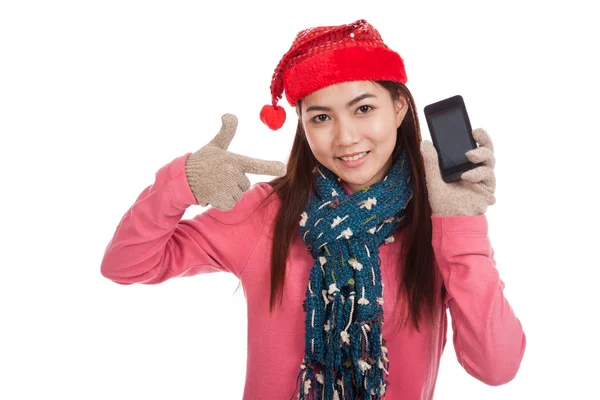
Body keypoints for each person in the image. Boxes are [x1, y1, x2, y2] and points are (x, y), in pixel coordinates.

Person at [100, 19, 526, 400]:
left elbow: (496, 366)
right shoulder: (268, 212)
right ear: (303, 125)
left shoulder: (439, 218)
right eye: (321, 118)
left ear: (398, 107)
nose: (345, 138)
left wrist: (463, 225)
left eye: (364, 108)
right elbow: (126, 264)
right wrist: (181, 183)